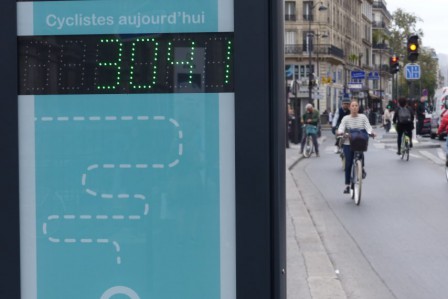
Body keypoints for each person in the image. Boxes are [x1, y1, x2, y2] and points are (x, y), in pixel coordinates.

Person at [337, 100, 375, 194]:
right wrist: (340, 132)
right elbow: (341, 127)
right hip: (348, 142)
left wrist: (372, 133)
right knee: (348, 164)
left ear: (358, 107)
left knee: (360, 154)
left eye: (356, 105)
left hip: (359, 141)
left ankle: (361, 168)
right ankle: (347, 185)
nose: (354, 107)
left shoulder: (363, 117)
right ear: (350, 108)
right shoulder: (346, 118)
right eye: (352, 106)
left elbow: (368, 127)